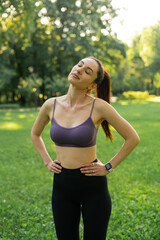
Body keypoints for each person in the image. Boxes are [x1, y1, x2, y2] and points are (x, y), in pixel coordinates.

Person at [31, 56, 140, 240]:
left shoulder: (99, 107)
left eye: (87, 71)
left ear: (92, 86)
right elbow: (35, 134)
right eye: (80, 65)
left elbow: (132, 138)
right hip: (62, 186)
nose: (80, 69)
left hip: (92, 187)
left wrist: (108, 166)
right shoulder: (51, 105)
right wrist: (47, 161)